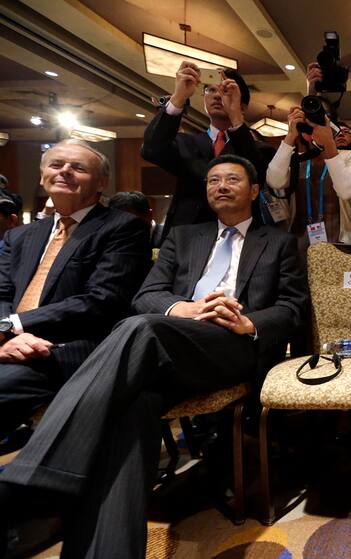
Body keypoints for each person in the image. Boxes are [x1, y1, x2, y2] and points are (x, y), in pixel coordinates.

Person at [0, 154, 307, 558]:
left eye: (232, 179)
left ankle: (37, 475)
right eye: (213, 180)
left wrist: (247, 322)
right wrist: (184, 309)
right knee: (134, 406)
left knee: (138, 328)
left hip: (230, 345)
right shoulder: (184, 236)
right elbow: (147, 295)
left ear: (253, 191)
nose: (221, 186)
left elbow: (293, 306)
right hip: (168, 344)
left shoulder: (279, 242)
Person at [0, 140, 151, 442]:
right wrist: (5, 335)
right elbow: (2, 293)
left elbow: (102, 300)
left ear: (101, 183)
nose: (65, 171)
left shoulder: (123, 228)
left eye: (78, 167)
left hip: (68, 348)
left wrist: (13, 326)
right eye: (56, 165)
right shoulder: (19, 236)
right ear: (42, 176)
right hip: (11, 343)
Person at [141, 61, 268, 241]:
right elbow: (151, 149)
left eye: (225, 91)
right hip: (185, 237)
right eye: (210, 90)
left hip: (240, 238)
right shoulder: (185, 143)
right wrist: (179, 97)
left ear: (243, 106)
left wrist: (236, 118)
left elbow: (257, 173)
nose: (217, 95)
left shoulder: (259, 148)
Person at [265, 102, 351, 245]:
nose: (314, 126)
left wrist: (328, 142)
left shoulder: (350, 156)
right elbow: (274, 181)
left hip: (338, 241)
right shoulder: (298, 159)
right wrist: (291, 135)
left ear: (332, 126)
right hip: (299, 240)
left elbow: (347, 192)